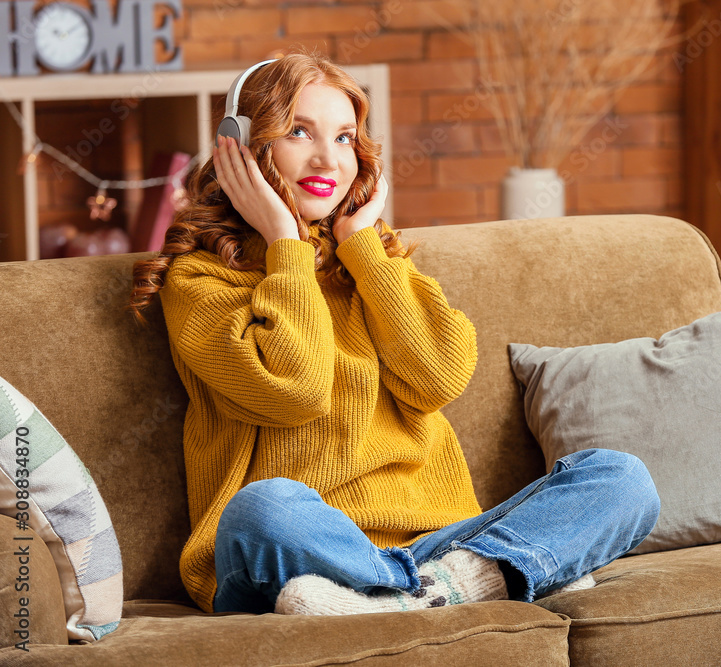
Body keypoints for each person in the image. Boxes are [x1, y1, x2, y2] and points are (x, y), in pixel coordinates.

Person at [128, 52, 659, 617]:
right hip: (295, 548)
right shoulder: (200, 277)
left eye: (343, 137)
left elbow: (439, 379)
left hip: (437, 543)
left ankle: (409, 593)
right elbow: (293, 391)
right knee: (260, 507)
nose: (325, 158)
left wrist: (362, 250)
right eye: (298, 131)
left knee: (621, 478)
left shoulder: (375, 263)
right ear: (242, 146)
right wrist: (286, 242)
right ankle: (499, 574)